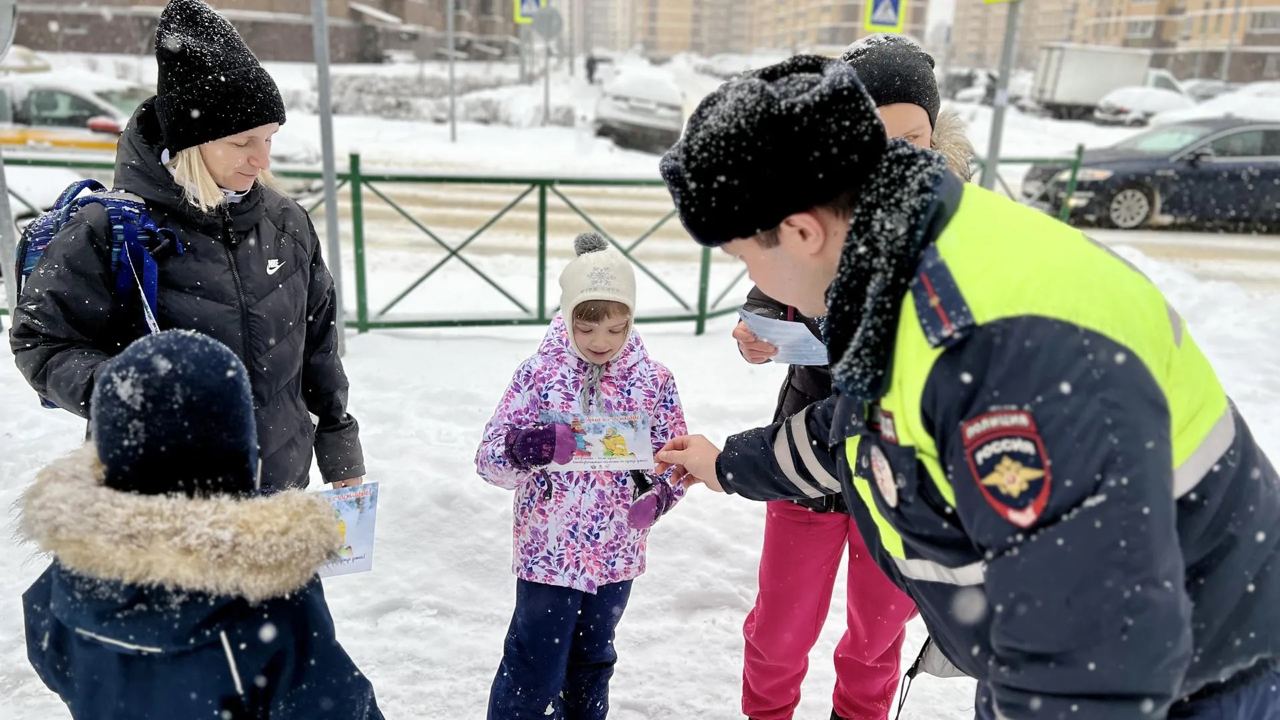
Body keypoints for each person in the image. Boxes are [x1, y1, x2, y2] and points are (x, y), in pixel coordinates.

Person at [656, 55, 1280, 720]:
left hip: (1191, 682)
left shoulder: (997, 355)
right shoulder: (912, 249)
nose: (753, 281)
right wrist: (725, 464)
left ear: (803, 233)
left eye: (745, 259)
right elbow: (865, 426)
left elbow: (1089, 668)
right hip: (1080, 652)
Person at [9, 0, 363, 492]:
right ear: (191, 143)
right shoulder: (110, 229)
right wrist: (127, 390)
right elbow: (42, 341)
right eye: (243, 143)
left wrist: (342, 452)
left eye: (270, 138)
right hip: (156, 506)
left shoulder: (287, 223)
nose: (261, 160)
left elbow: (318, 348)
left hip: (279, 502)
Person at [729, 35, 974, 720]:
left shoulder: (956, 232)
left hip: (902, 478)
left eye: (913, 135)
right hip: (802, 465)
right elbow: (771, 286)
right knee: (780, 632)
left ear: (932, 138)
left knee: (876, 636)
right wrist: (760, 326)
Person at [20, 330, 381, 720]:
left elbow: (51, 658)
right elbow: (333, 703)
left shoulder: (64, 578)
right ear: (240, 445)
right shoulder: (268, 595)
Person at [475, 233, 687, 720]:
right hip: (547, 553)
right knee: (534, 664)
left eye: (616, 329)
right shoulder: (537, 376)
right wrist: (527, 447)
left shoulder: (653, 381)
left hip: (616, 554)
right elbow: (488, 459)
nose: (600, 343)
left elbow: (673, 458)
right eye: (587, 328)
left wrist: (659, 498)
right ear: (567, 316)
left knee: (593, 661)